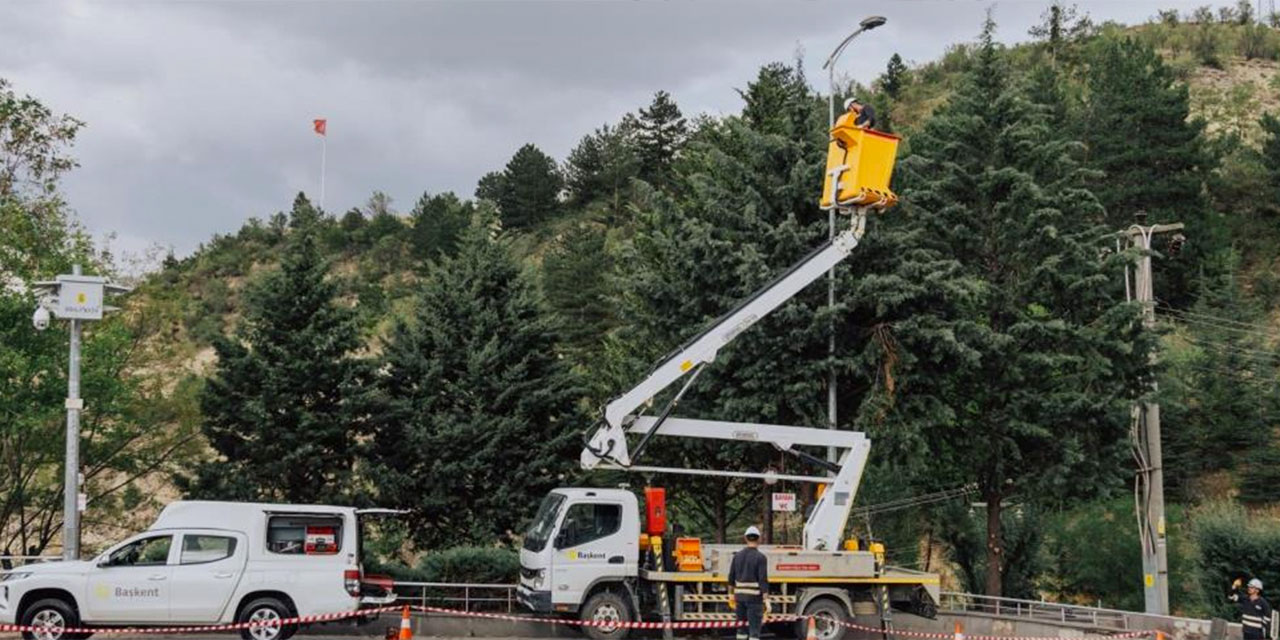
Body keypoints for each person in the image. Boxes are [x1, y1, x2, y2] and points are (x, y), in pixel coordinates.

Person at [728, 525, 769, 640]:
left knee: (741, 629)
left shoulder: (737, 556)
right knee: (754, 631)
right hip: (754, 600)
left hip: (739, 598)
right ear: (759, 539)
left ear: (745, 538)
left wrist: (731, 595)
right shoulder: (761, 557)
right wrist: (766, 599)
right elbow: (762, 580)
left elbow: (731, 577)